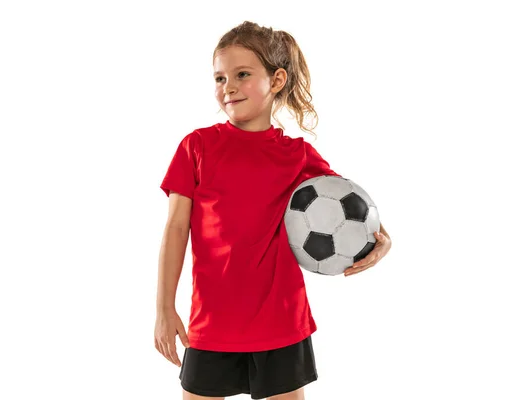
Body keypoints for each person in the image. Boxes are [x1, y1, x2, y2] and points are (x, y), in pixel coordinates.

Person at [155, 21, 392, 400]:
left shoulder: (297, 156)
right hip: (213, 323)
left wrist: (384, 240)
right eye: (219, 78)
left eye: (242, 74)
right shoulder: (196, 147)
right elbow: (175, 228)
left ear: (277, 79)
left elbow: (355, 210)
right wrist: (164, 308)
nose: (227, 86)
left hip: (281, 322)